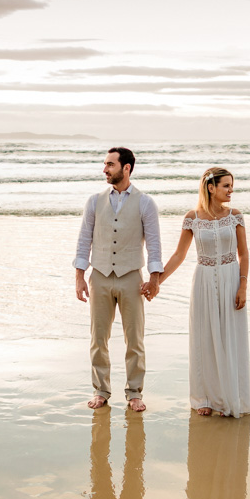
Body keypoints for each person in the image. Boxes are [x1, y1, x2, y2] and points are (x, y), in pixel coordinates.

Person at [155, 167, 250, 417]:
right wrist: (157, 281)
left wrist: (243, 286)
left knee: (230, 337)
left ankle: (230, 397)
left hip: (231, 278)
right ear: (211, 188)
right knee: (204, 338)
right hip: (204, 281)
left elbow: (243, 253)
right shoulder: (192, 218)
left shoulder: (235, 216)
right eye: (226, 186)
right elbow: (179, 255)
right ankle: (204, 398)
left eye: (232, 185)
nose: (231, 190)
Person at [74, 147, 163, 412]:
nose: (105, 169)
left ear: (126, 168)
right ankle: (101, 390)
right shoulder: (94, 201)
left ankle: (134, 393)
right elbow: (83, 241)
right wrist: (79, 276)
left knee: (134, 339)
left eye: (110, 164)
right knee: (98, 338)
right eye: (104, 164)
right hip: (99, 276)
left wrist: (154, 279)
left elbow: (154, 246)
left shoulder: (145, 203)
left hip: (131, 278)